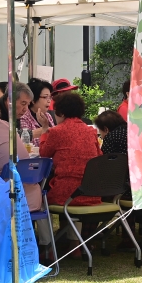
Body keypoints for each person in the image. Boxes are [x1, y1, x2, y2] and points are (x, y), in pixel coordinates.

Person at [40, 92, 102, 255]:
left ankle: (48, 246)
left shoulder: (56, 132)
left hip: (67, 193)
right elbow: (99, 158)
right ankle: (75, 245)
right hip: (91, 192)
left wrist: (45, 130)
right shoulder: (90, 132)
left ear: (60, 112)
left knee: (38, 200)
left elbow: (44, 154)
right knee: (76, 183)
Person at [20, 78, 55, 144]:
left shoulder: (48, 116)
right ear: (33, 100)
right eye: (45, 97)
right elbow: (29, 143)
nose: (49, 100)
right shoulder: (24, 117)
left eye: (50, 97)